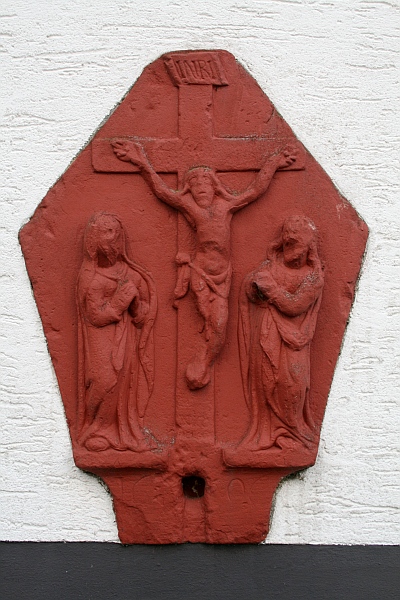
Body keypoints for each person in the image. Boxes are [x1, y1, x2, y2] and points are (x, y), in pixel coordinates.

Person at [112, 139, 297, 390]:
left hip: (222, 276)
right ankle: (202, 363)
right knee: (211, 320)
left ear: (214, 187)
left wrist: (274, 163)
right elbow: (164, 192)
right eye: (196, 185)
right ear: (189, 189)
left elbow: (255, 191)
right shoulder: (191, 208)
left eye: (205, 185)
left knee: (219, 324)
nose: (201, 190)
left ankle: (204, 361)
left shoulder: (227, 207)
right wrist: (141, 162)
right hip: (199, 272)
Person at [238, 215, 324, 452]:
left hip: (295, 341)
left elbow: (295, 306)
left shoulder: (313, 277)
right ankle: (269, 433)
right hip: (268, 336)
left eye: (296, 246)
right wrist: (253, 286)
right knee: (268, 381)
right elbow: (251, 291)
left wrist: (271, 289)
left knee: (293, 383)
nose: (291, 252)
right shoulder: (271, 267)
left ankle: (293, 433)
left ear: (308, 248)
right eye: (287, 244)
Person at [76, 212, 157, 452]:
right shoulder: (89, 276)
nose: (112, 237)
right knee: (103, 379)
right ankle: (94, 428)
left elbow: (142, 313)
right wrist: (119, 303)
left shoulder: (131, 274)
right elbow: (94, 316)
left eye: (115, 232)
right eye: (106, 232)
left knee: (122, 381)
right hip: (100, 337)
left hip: (124, 338)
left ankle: (118, 431)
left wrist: (136, 305)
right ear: (93, 240)